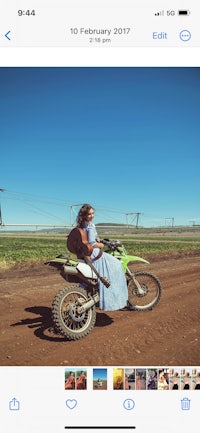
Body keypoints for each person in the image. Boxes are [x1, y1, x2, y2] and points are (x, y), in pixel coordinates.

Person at [76, 204, 128, 311]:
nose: (92, 216)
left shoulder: (81, 226)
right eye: (89, 214)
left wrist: (97, 238)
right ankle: (113, 300)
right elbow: (91, 243)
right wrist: (101, 245)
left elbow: (86, 239)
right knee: (117, 265)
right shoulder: (90, 226)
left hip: (85, 255)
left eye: (93, 213)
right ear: (85, 215)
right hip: (94, 254)